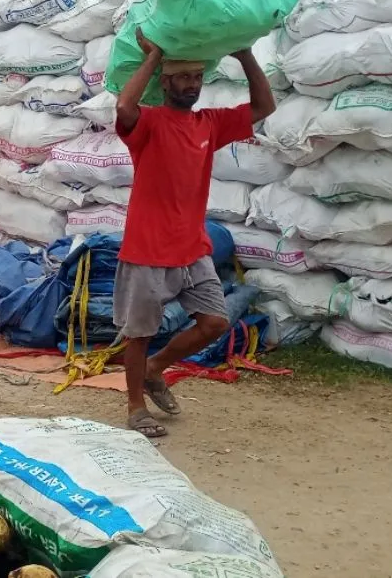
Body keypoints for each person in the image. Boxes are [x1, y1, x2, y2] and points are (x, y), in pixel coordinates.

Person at [113, 28, 276, 438]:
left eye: (198, 78)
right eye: (184, 77)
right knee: (139, 333)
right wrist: (153, 57)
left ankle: (155, 368)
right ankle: (135, 408)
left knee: (215, 322)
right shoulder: (150, 123)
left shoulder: (209, 124)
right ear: (166, 82)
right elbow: (124, 106)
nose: (192, 85)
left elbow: (264, 106)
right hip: (148, 248)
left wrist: (245, 54)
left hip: (191, 247)